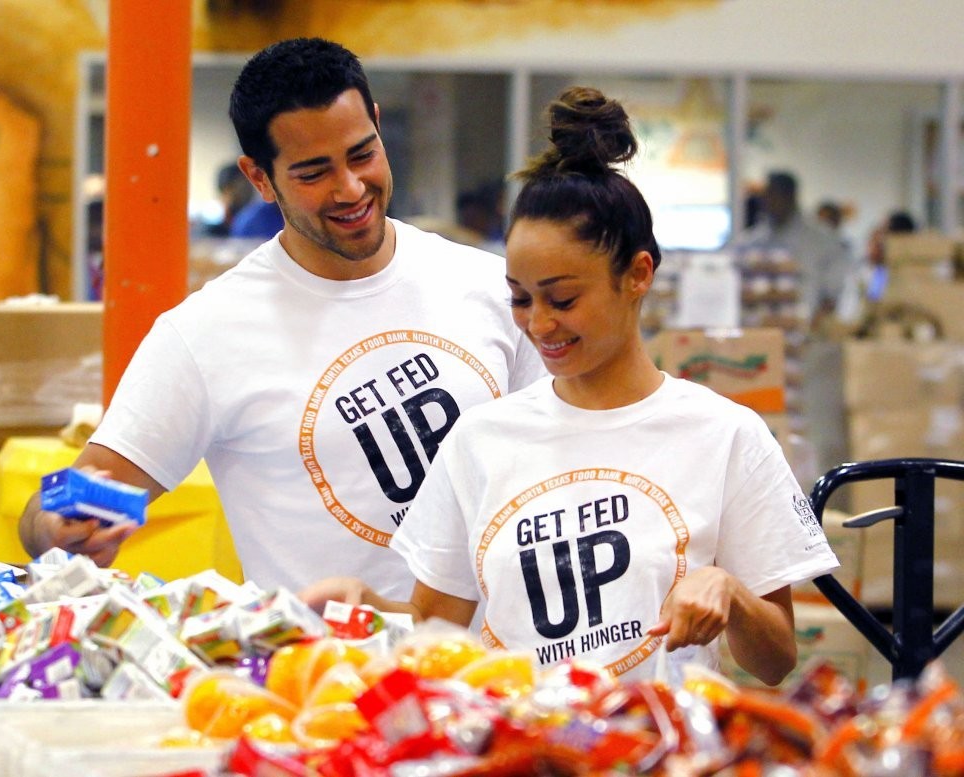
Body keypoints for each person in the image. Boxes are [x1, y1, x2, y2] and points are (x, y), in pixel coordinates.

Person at [300, 87, 839, 686]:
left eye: (563, 299)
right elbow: (434, 633)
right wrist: (361, 605)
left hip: (660, 750)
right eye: (521, 300)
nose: (539, 324)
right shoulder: (481, 441)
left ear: (637, 275)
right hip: (521, 746)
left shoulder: (725, 434)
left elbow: (777, 660)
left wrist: (730, 593)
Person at [18, 37, 546, 598]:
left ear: (375, 122)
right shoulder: (205, 335)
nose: (350, 188)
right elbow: (50, 511)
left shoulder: (487, 285)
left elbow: (558, 455)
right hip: (324, 676)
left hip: (498, 670)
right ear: (259, 177)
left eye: (362, 154)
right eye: (313, 172)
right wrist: (56, 525)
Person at [731, 172, 852, 331]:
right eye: (768, 195)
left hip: (807, 336)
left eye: (776, 195)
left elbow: (833, 293)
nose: (770, 201)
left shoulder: (824, 240)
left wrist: (816, 324)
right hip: (758, 332)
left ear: (790, 197)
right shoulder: (750, 241)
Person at [199, 162, 256, 237]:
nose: (247, 191)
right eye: (241, 187)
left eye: (249, 185)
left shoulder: (255, 222)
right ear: (226, 190)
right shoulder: (210, 228)